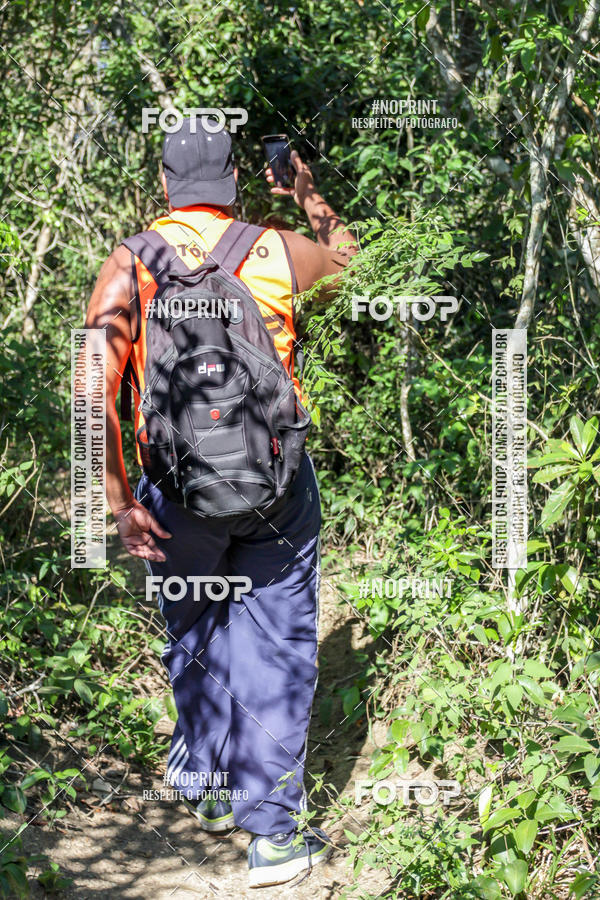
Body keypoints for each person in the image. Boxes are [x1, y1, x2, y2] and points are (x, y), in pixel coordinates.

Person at [84, 116, 356, 888]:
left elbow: (90, 387)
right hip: (276, 487)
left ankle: (205, 782)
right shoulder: (272, 251)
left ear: (165, 185)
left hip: (174, 493)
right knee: (275, 643)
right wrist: (306, 195)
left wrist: (117, 502)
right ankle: (273, 836)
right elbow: (349, 259)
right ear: (235, 182)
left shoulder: (131, 263)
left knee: (197, 623)